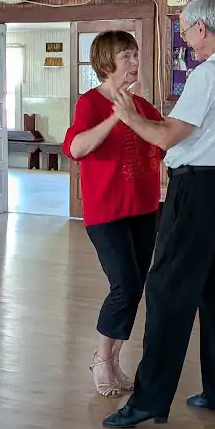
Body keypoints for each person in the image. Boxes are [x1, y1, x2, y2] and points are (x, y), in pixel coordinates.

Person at [101, 0, 215, 428]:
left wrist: (129, 117)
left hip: (197, 190)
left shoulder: (208, 75)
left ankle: (149, 400)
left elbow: (169, 136)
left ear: (202, 28)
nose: (186, 40)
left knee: (167, 290)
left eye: (185, 31)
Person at [62, 30, 163, 398]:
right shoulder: (89, 103)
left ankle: (115, 360)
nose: (134, 63)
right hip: (107, 210)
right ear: (107, 63)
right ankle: (102, 360)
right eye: (127, 57)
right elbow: (75, 147)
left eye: (136, 55)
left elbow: (163, 135)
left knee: (136, 286)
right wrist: (115, 119)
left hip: (144, 208)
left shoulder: (142, 104)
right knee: (124, 284)